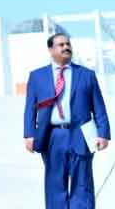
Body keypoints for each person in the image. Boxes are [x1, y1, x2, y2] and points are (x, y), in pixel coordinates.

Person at [23, 33, 110, 209]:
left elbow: (99, 107)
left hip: (82, 134)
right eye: (60, 44)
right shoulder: (37, 76)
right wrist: (29, 134)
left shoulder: (86, 75)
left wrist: (103, 133)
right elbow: (30, 108)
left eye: (68, 44)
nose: (66, 47)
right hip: (53, 136)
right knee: (55, 183)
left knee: (82, 184)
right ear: (50, 49)